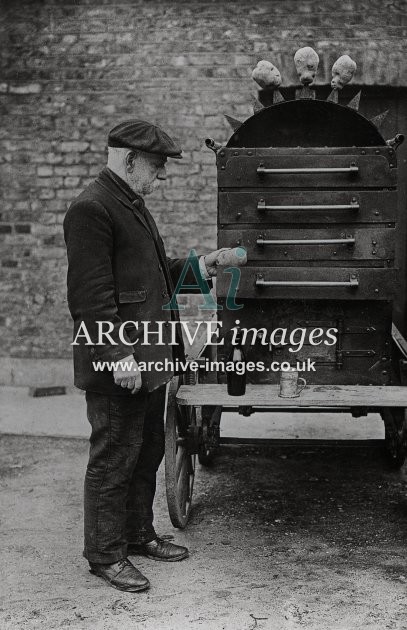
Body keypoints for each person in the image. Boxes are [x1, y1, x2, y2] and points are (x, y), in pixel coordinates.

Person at [63, 120, 228, 592]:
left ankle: (137, 535)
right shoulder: (92, 209)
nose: (161, 176)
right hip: (121, 366)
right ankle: (105, 555)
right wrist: (118, 356)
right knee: (114, 457)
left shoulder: (129, 202)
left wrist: (199, 265)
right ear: (129, 159)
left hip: (149, 362)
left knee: (147, 452)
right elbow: (91, 299)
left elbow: (154, 276)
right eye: (156, 167)